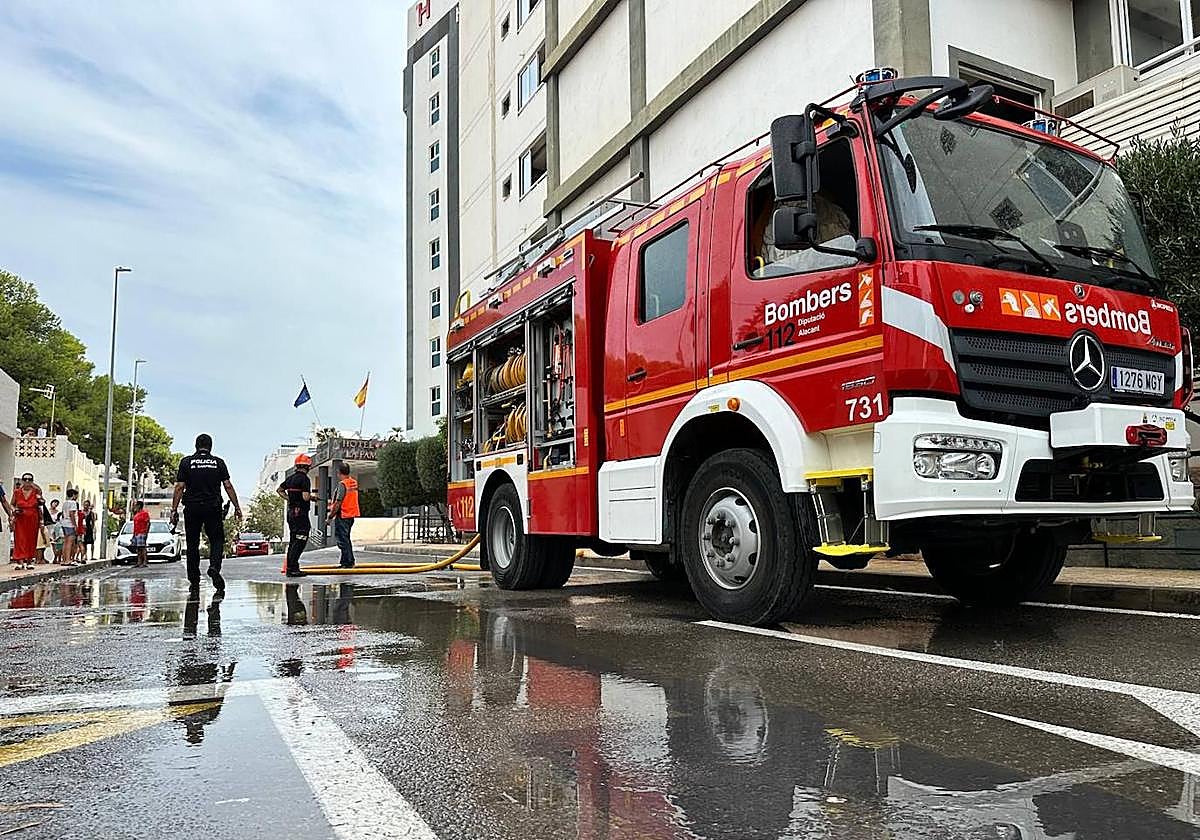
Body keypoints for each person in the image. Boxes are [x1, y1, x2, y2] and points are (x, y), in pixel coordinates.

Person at [171, 433, 242, 594]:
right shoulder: (218, 463)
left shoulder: (186, 462)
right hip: (213, 507)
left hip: (192, 508)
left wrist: (174, 510)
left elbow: (179, 487)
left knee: (193, 543)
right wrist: (237, 507)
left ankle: (194, 578)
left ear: (196, 446)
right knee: (217, 540)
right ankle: (214, 567)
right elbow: (228, 486)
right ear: (210, 447)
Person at [277, 453, 314, 578]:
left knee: (294, 540)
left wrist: (289, 499)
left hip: (291, 512)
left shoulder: (291, 479)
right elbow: (305, 497)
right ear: (307, 467)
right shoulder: (304, 479)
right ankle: (293, 568)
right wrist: (311, 497)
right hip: (300, 514)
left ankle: (291, 567)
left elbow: (279, 490)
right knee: (301, 539)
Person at [326, 463, 360, 569]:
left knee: (342, 540)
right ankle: (345, 561)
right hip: (351, 515)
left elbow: (338, 502)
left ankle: (349, 562)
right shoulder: (353, 482)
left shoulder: (342, 484)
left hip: (343, 515)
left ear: (338, 473)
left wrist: (330, 517)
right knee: (346, 539)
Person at [9, 474, 43, 571]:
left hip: (33, 518)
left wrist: (41, 521)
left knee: (31, 539)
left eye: (29, 479)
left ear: (32, 480)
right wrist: (14, 510)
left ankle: (29, 561)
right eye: (25, 479)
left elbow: (40, 504)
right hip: (20, 518)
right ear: (22, 480)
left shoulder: (36, 491)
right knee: (19, 539)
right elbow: (12, 504)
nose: (27, 481)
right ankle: (19, 561)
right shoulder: (17, 492)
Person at [61, 488, 82, 567]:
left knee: (65, 542)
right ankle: (68, 560)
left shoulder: (65, 503)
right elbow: (72, 514)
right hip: (70, 523)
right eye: (76, 495)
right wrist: (75, 525)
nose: (76, 497)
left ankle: (63, 559)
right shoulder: (73, 503)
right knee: (70, 542)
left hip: (64, 523)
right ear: (73, 495)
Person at [131, 501, 151, 568]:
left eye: (136, 505)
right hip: (136, 533)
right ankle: (139, 562)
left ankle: (144, 562)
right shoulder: (136, 514)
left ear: (139, 506)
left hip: (142, 533)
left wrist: (146, 532)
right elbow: (135, 525)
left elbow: (148, 523)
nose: (135, 507)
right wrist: (133, 534)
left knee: (142, 548)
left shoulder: (144, 513)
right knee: (138, 548)